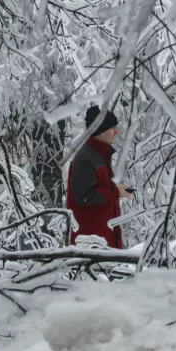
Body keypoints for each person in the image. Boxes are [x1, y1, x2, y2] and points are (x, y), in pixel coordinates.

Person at [65, 105, 134, 248]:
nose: (116, 132)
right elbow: (85, 196)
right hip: (90, 245)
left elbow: (98, 190)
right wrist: (116, 192)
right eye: (112, 128)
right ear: (100, 131)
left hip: (102, 242)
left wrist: (117, 190)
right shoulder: (85, 158)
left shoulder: (98, 155)